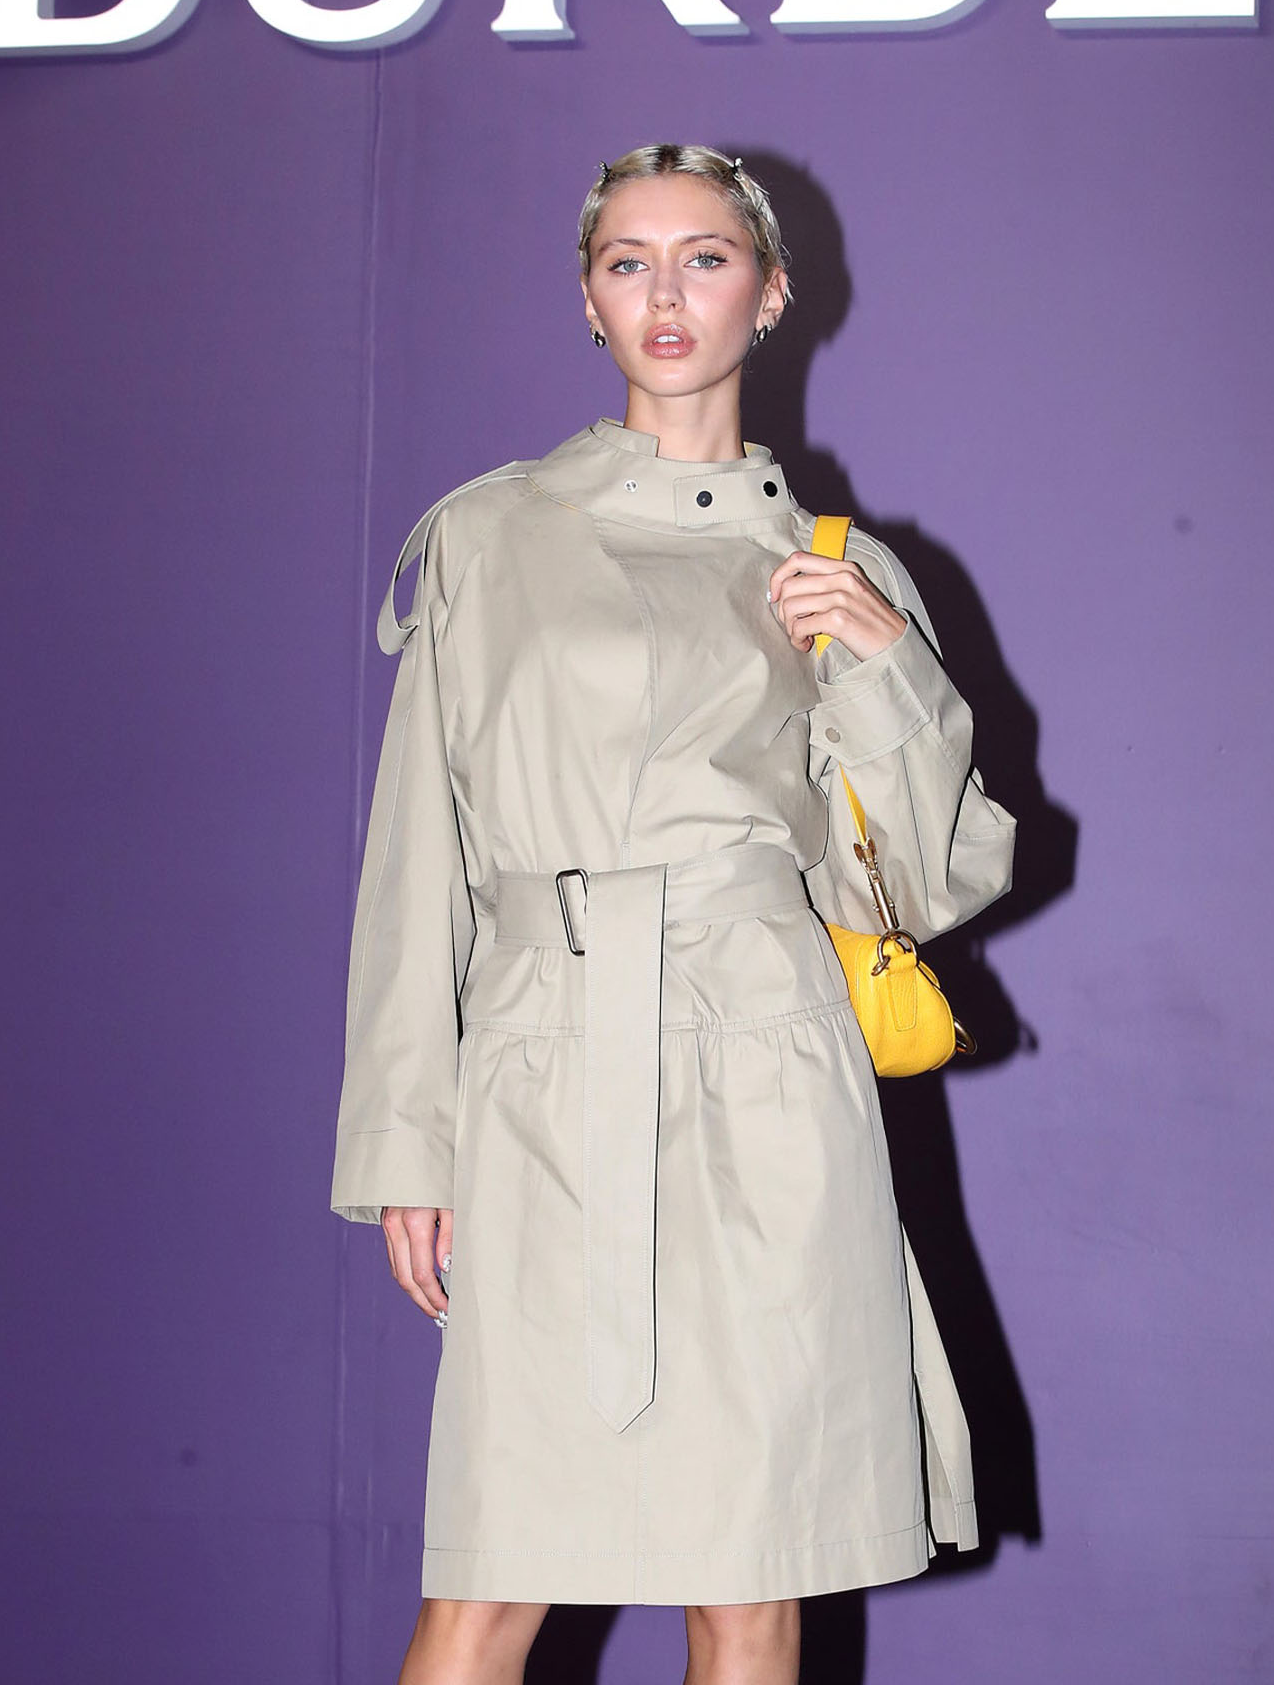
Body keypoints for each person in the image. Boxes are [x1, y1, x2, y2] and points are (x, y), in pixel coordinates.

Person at [330, 143, 1017, 1685]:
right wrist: (404, 1139)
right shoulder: (489, 535)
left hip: (766, 1070)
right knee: (491, 1581)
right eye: (628, 260)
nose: (665, 293)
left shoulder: (835, 568)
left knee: (751, 1573)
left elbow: (924, 886)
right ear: (588, 296)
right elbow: (415, 863)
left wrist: (887, 669)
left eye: (703, 258)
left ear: (768, 295)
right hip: (541, 1073)